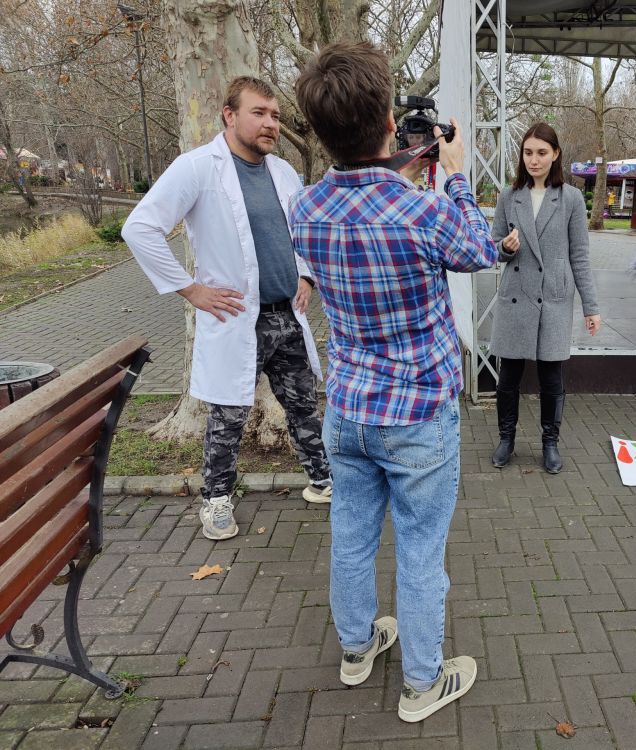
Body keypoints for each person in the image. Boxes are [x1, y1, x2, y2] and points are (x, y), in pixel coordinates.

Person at [290, 43, 498, 723]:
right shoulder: (424, 210)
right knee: (419, 549)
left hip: (348, 405)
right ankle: (421, 684)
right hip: (417, 413)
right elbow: (479, 250)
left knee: (351, 537)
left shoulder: (305, 209)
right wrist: (454, 174)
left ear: (318, 129)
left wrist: (410, 165)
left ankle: (357, 650)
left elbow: (357, 198)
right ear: (388, 120)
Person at [122, 76, 332, 542]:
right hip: (237, 319)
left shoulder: (283, 171)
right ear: (229, 115)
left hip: (286, 315)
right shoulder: (198, 168)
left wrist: (306, 275)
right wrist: (190, 289)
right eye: (259, 113)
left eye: (275, 115)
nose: (270, 123)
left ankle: (322, 481)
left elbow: (298, 232)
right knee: (228, 418)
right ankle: (216, 500)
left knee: (303, 407)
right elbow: (139, 228)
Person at [489, 123, 601, 474]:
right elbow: (492, 248)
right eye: (528, 152)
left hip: (553, 298)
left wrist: (591, 307)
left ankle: (550, 442)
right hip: (516, 296)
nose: (534, 159)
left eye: (541, 152)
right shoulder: (509, 196)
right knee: (508, 377)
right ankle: (506, 439)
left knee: (552, 377)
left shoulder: (570, 198)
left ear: (555, 155)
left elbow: (579, 256)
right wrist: (505, 248)